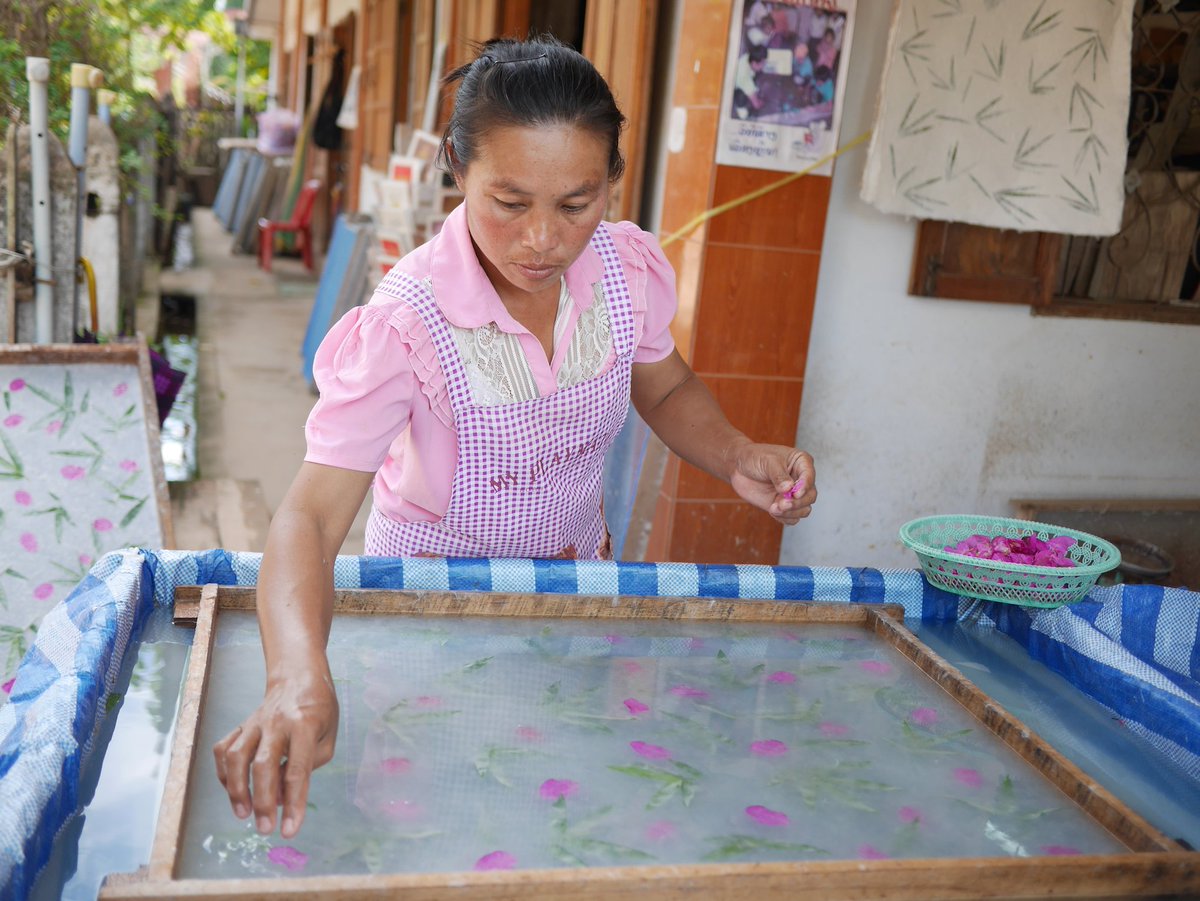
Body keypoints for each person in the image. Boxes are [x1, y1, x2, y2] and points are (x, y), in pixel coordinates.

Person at [212, 35, 817, 841]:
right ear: (459, 169)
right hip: (431, 624)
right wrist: (295, 672)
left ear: (611, 183)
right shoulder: (406, 323)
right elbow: (311, 518)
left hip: (574, 608)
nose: (543, 239)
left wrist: (738, 452)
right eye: (509, 201)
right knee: (438, 829)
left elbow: (664, 386)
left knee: (558, 816)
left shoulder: (620, 270)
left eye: (575, 204)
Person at [733, 44, 770, 119]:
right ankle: (741, 110)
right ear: (754, 63)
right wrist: (761, 102)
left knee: (756, 76)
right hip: (735, 88)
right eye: (762, 64)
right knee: (741, 96)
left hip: (743, 78)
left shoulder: (748, 57)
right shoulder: (745, 79)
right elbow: (756, 105)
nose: (764, 65)